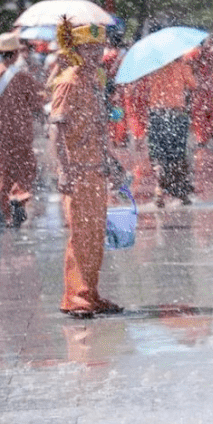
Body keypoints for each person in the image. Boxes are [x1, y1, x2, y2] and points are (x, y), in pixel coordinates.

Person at [49, 20, 125, 318]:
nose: (95, 54)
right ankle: (75, 297)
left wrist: (112, 162)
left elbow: (100, 127)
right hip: (77, 171)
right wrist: (63, 170)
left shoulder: (95, 80)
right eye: (88, 48)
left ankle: (91, 293)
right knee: (80, 234)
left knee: (95, 234)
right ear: (76, 49)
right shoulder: (68, 80)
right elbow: (55, 128)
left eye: (98, 48)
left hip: (96, 169)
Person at [0, 30, 44, 227]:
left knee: (2, 170)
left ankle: (8, 214)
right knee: (25, 165)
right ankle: (19, 196)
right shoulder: (23, 76)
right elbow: (36, 102)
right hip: (21, 128)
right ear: (15, 54)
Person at [141, 56, 196, 207]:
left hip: (157, 114)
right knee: (177, 155)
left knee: (158, 154)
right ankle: (181, 192)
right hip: (176, 114)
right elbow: (193, 85)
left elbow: (144, 89)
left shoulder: (151, 67)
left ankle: (159, 191)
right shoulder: (182, 67)